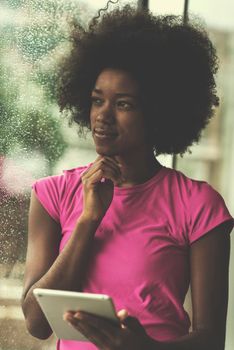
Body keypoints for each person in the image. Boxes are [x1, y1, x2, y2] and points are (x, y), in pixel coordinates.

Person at [21, 3, 234, 350]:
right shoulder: (52, 195)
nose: (102, 116)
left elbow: (210, 340)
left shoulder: (198, 205)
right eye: (96, 100)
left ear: (159, 111)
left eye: (123, 104)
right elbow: (36, 322)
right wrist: (88, 219)